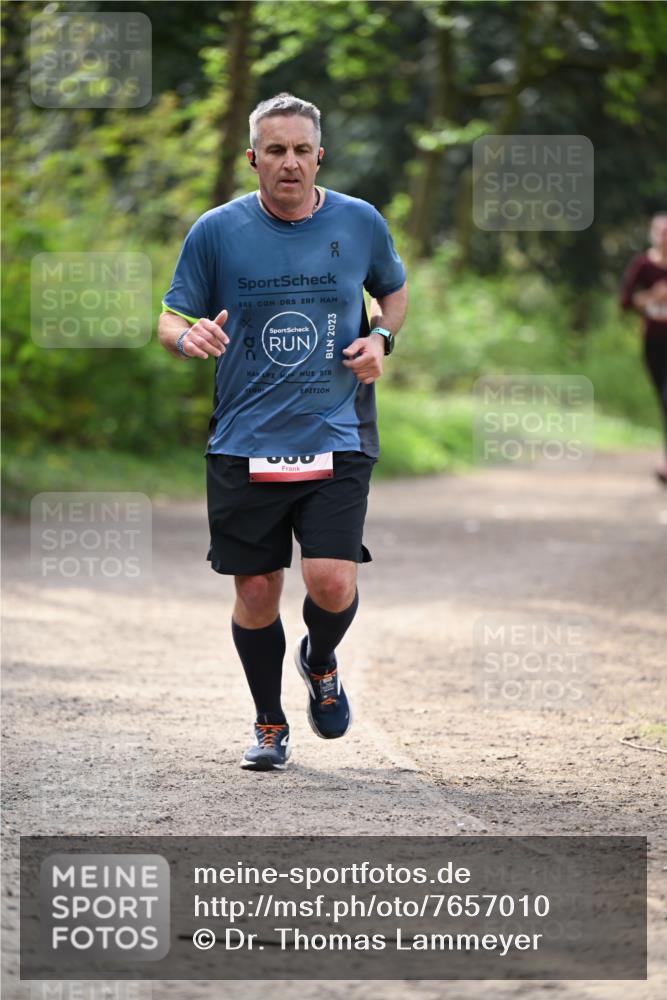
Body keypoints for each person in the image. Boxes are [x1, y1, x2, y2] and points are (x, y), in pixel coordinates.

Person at [158, 93, 408, 770]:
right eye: (275, 150)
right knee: (256, 591)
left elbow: (393, 291)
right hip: (243, 437)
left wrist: (381, 337)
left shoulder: (358, 222)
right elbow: (169, 317)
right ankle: (268, 722)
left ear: (318, 155)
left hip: (337, 427)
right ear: (253, 159)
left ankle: (319, 660)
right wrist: (189, 339)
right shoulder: (216, 231)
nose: (289, 163)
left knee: (329, 580)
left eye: (301, 150)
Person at [620, 212, 667, 484]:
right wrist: (653, 296)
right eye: (661, 232)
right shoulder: (643, 265)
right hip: (654, 341)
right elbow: (625, 301)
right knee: (663, 400)